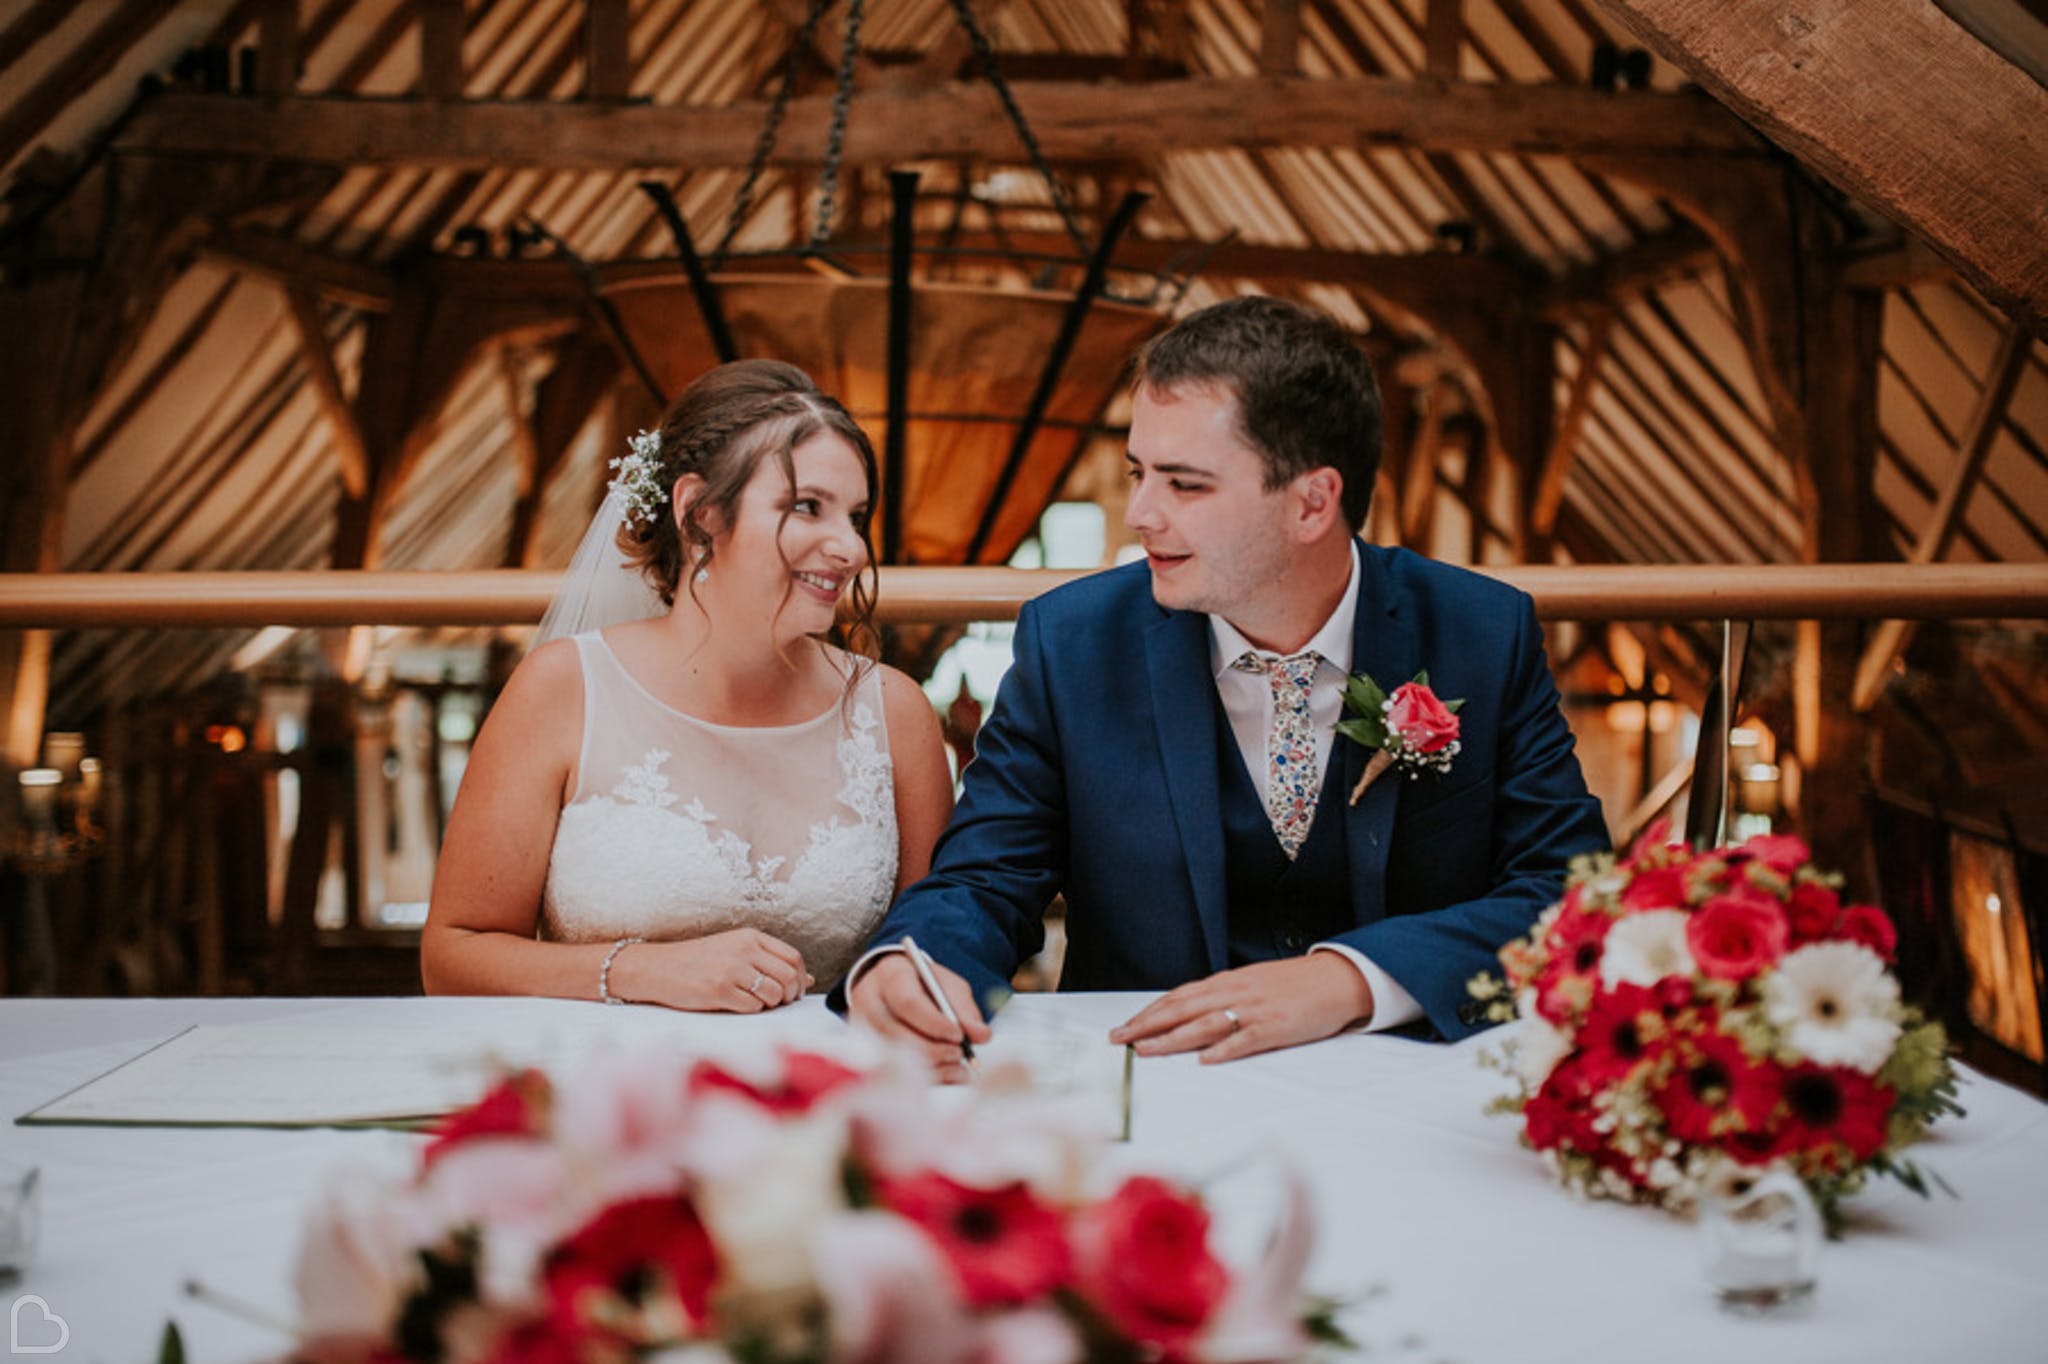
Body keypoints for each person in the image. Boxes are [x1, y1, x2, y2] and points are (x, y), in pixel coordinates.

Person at [843, 296, 1608, 1074]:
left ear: (1313, 502)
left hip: (1409, 1077)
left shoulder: (1480, 632)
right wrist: (914, 963)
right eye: (1141, 473)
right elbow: (986, 875)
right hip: (1153, 1083)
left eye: (1185, 484)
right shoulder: (1073, 644)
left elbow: (1570, 892)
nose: (1140, 513)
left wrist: (1351, 978)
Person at [423, 360, 953, 1011]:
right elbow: (452, 956)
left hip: (826, 1092)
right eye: (807, 507)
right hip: (612, 1091)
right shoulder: (563, 689)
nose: (849, 548)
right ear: (699, 512)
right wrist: (638, 971)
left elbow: (937, 947)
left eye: (856, 516)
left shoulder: (892, 712)